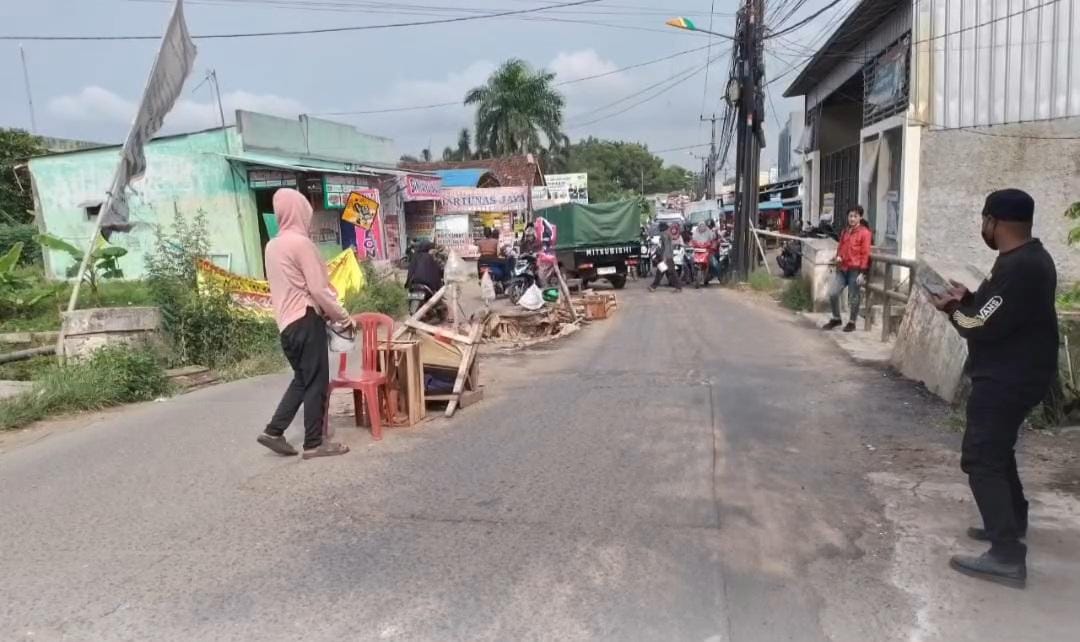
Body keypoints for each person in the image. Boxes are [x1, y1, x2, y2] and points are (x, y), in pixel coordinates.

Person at [930, 188, 1058, 589]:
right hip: (1017, 373)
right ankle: (1011, 521)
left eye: (984, 219)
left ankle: (1005, 555)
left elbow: (979, 325)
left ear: (995, 222)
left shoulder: (1022, 267)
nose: (982, 227)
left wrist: (952, 309)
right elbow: (990, 307)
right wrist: (966, 297)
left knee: (981, 457)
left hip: (1007, 377)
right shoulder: (1020, 260)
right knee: (998, 450)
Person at [259, 188, 353, 460]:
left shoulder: (272, 246)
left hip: (286, 326)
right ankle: (314, 443)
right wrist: (343, 318)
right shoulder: (302, 244)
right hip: (305, 319)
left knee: (302, 379)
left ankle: (273, 431)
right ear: (300, 213)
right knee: (316, 382)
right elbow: (319, 290)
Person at [823, 205, 872, 332]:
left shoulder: (865, 233)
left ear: (860, 217)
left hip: (855, 269)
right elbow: (840, 247)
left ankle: (852, 322)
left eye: (855, 216)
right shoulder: (845, 231)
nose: (852, 219)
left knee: (854, 297)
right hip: (842, 268)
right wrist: (838, 257)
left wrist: (863, 273)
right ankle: (836, 318)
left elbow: (865, 253)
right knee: (833, 293)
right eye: (850, 216)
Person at [649, 221, 681, 292]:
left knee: (667, 272)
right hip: (669, 256)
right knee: (665, 272)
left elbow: (666, 247)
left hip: (666, 257)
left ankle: (653, 286)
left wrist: (664, 258)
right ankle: (653, 286)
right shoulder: (668, 234)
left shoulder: (664, 235)